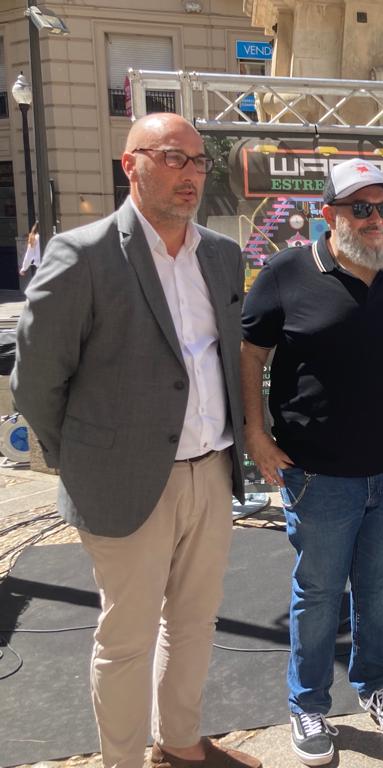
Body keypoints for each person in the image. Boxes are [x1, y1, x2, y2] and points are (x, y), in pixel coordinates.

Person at [12, 113, 258, 768]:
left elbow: (224, 360)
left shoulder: (221, 254)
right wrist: (84, 464)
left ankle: (179, 746)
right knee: (126, 640)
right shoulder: (84, 255)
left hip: (210, 472)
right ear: (131, 164)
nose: (191, 175)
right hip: (121, 483)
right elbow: (36, 382)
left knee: (195, 623)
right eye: (174, 158)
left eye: (200, 162)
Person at [240, 158, 383, 766]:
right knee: (320, 591)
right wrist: (255, 432)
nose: (377, 219)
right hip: (319, 474)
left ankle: (376, 686)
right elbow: (250, 355)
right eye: (361, 208)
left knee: (378, 589)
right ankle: (308, 703)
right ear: (328, 214)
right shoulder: (285, 272)